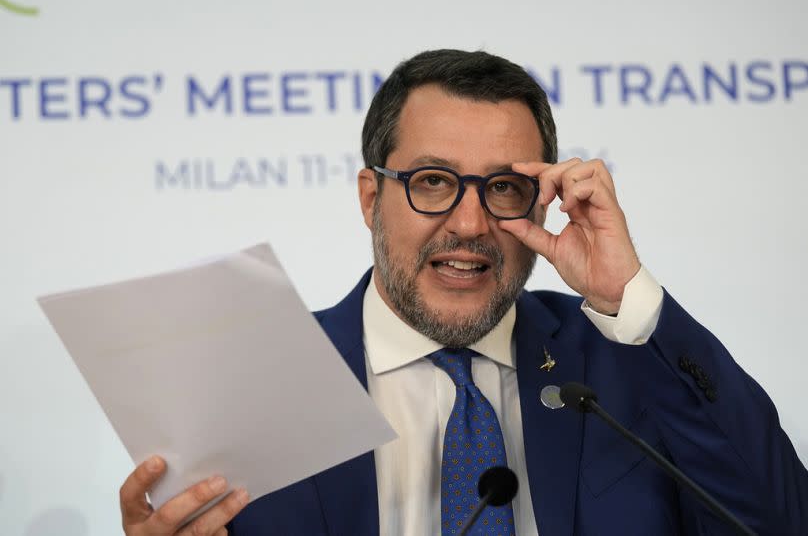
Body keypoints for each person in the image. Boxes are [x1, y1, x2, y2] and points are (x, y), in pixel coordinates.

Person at [119, 49, 808, 535]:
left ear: (542, 205)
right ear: (370, 198)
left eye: (504, 187)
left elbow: (779, 521)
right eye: (433, 181)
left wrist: (632, 299)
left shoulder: (628, 356)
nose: (471, 223)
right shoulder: (254, 384)